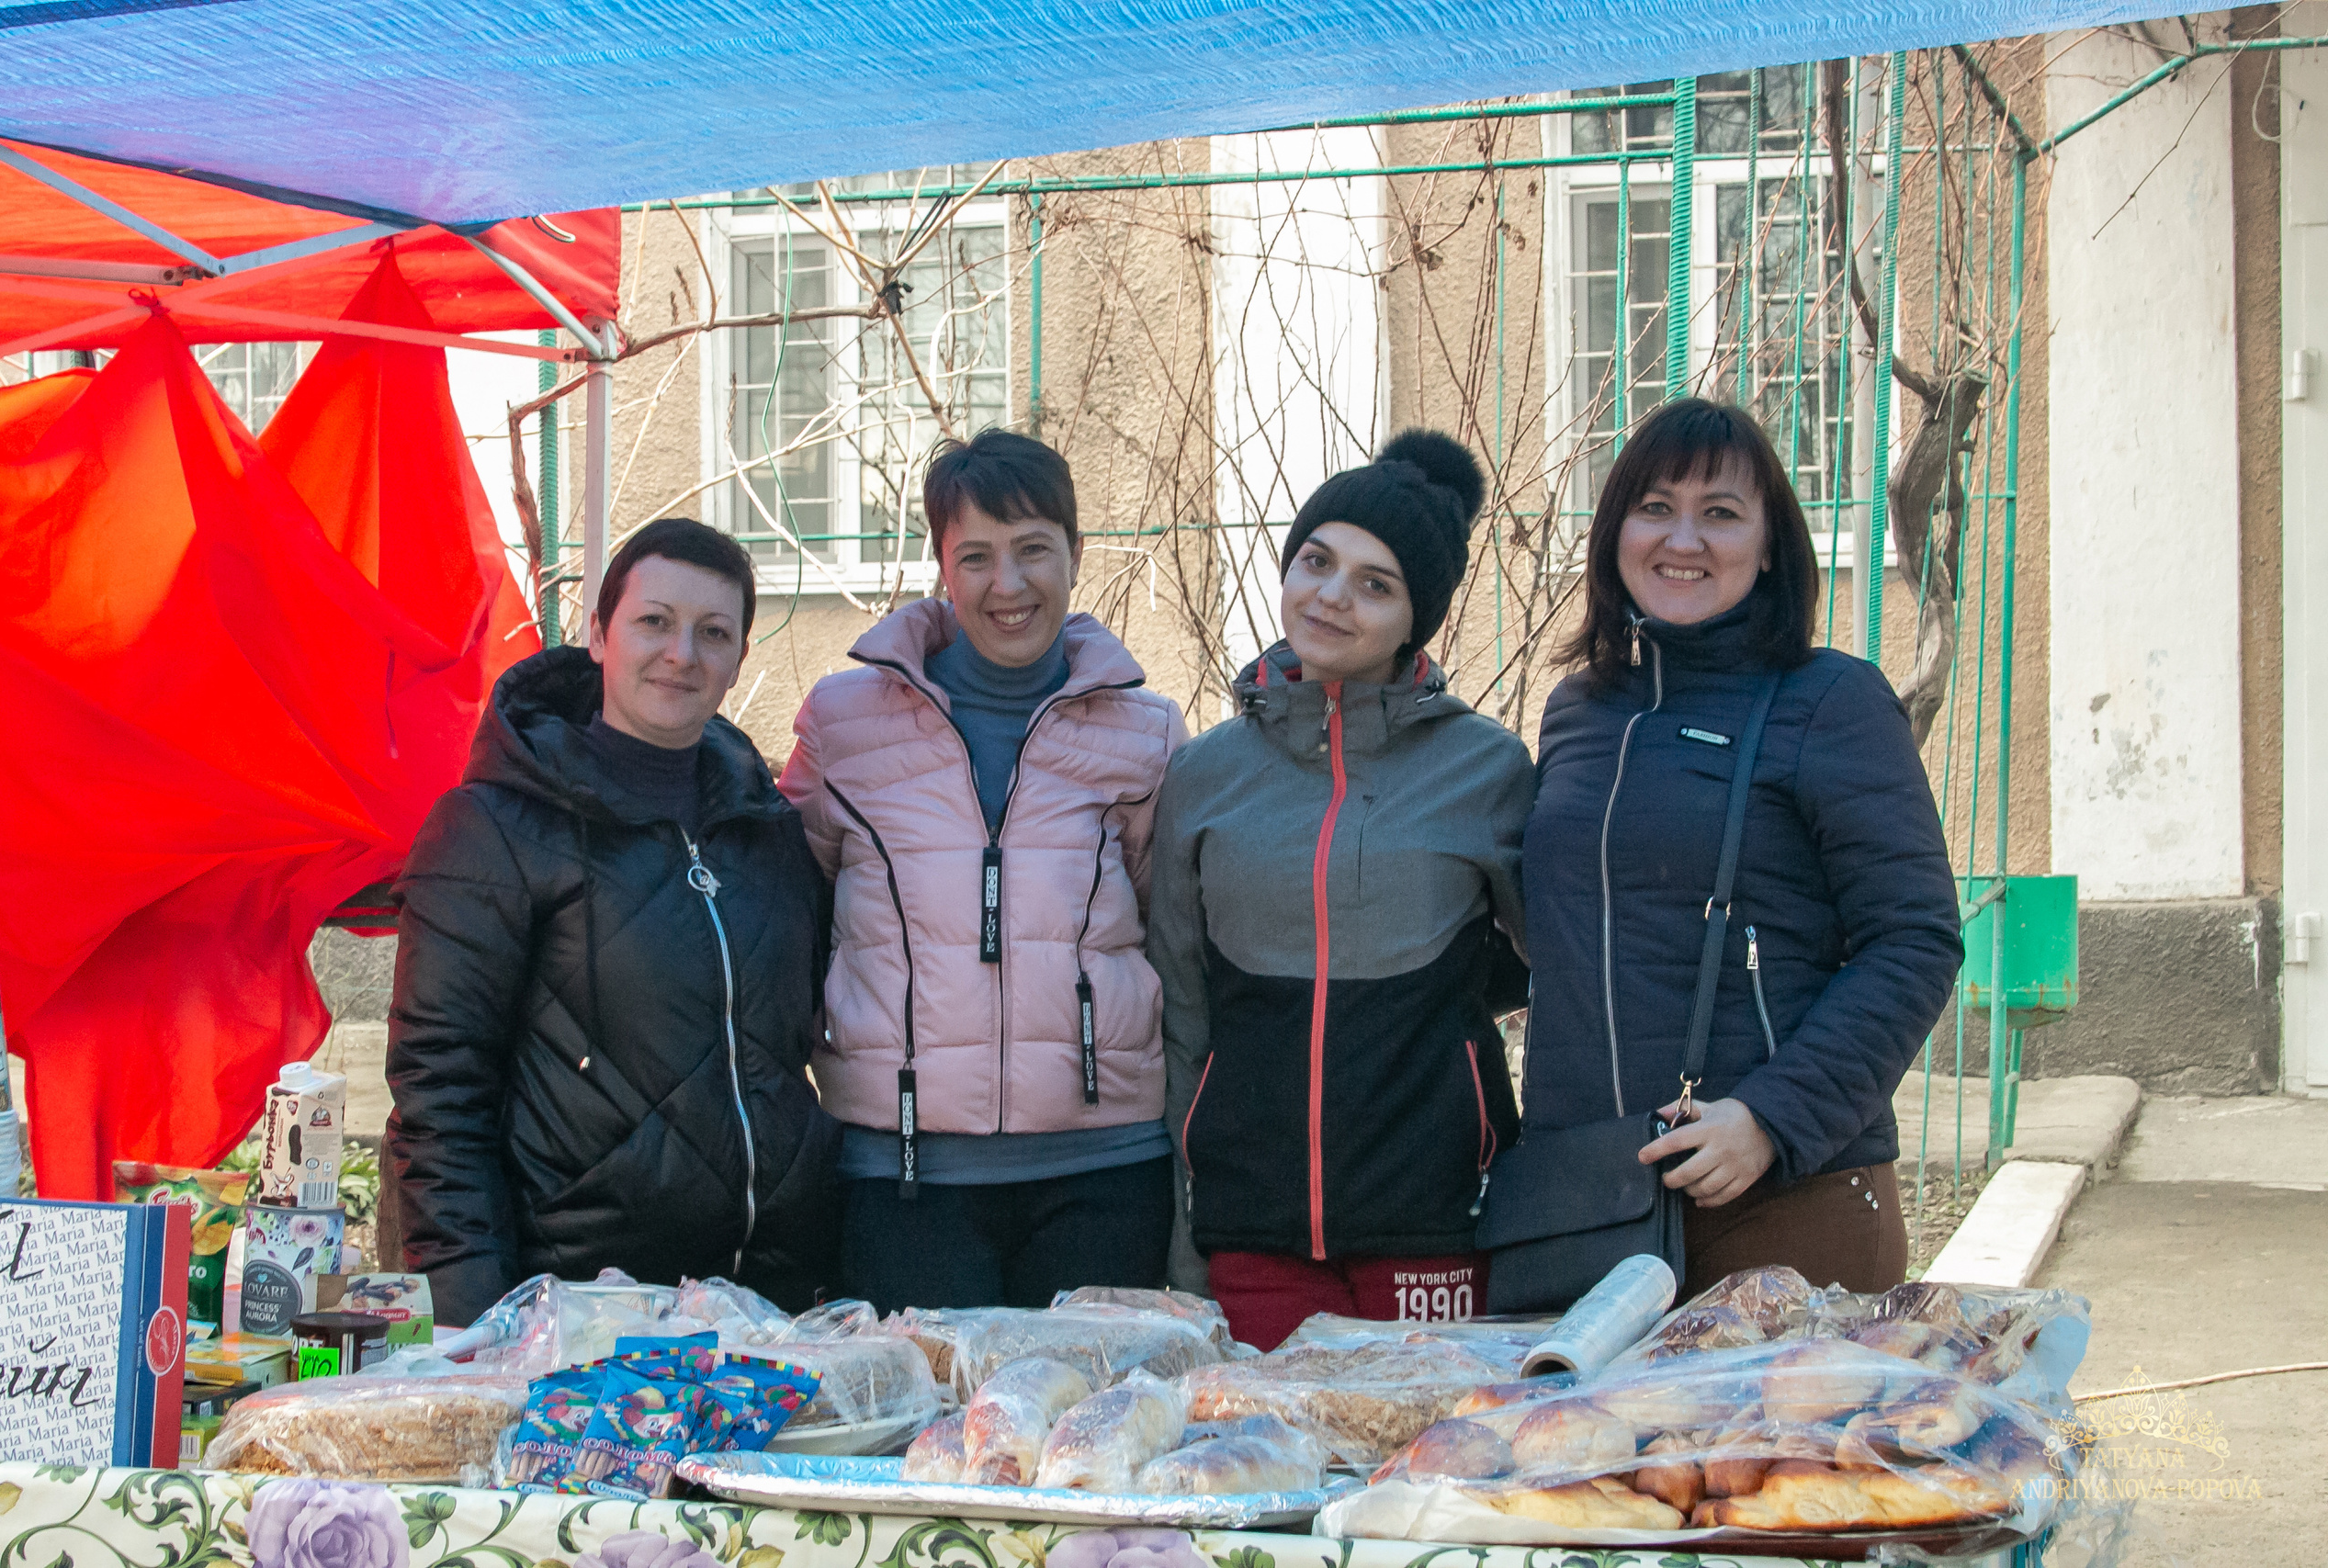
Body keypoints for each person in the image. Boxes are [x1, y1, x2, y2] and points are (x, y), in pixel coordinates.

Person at [1506, 398, 1961, 1297]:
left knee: (1777, 1449)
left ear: (1768, 546)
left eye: (1720, 513)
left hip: (1780, 1199)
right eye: (1654, 507)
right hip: (1585, 1196)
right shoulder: (1578, 713)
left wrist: (1770, 1118)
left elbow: (1913, 941)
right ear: (1614, 535)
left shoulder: (1832, 701)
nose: (1684, 538)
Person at [385, 517, 842, 1327]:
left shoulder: (770, 829)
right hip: (570, 1317)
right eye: (654, 622)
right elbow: (438, 1094)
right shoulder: (492, 826)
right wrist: (471, 1317)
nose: (682, 654)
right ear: (598, 634)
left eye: (713, 633)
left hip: (761, 1312)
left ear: (738, 661)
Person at [777, 428, 1186, 1310]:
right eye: (976, 556)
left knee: (1087, 1438)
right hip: (903, 1172)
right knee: (924, 1440)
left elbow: (1167, 929)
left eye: (1034, 549)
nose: (1008, 585)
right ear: (942, 567)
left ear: (1076, 554)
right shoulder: (845, 725)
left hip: (1104, 1172)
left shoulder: (1145, 733)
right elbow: (793, 917)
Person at [1147, 430, 1531, 1351]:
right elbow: (1180, 1013)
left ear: (1415, 619)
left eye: (1375, 583)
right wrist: (1181, 1246)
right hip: (1252, 1227)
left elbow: (1558, 964)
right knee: (1265, 1473)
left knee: (1421, 1480)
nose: (1330, 596)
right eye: (1316, 562)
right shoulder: (1203, 775)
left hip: (1437, 1221)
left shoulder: (1486, 769)